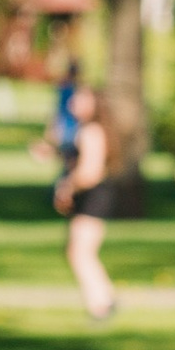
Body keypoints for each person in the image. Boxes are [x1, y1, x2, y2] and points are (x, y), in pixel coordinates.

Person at [56, 78, 118, 322]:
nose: (73, 102)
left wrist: (68, 186)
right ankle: (105, 298)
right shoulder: (86, 129)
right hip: (92, 196)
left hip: (93, 197)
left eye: (80, 97)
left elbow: (90, 171)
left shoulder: (91, 131)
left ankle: (100, 305)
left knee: (80, 253)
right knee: (81, 252)